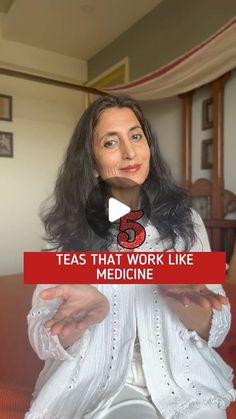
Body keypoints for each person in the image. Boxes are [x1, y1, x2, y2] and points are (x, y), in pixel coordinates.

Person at [25, 95, 235, 419]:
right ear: (92, 163)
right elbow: (41, 335)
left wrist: (186, 303)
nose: (129, 152)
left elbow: (217, 328)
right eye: (111, 142)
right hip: (102, 383)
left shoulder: (188, 222)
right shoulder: (69, 232)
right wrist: (77, 322)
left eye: (136, 136)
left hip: (186, 376)